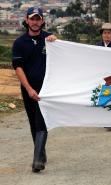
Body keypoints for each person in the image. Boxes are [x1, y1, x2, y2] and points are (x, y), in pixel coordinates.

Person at [12, 7, 57, 173]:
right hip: (28, 89)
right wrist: (29, 89)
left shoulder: (49, 39)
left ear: (43, 21)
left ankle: (37, 160)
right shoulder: (19, 43)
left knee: (41, 120)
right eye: (33, 19)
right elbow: (18, 67)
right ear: (27, 20)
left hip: (46, 89)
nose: (35, 22)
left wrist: (57, 42)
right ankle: (41, 152)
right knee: (33, 121)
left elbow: (62, 54)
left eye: (38, 19)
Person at [96, 23, 111, 131]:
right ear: (101, 34)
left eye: (109, 33)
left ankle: (110, 121)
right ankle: (106, 120)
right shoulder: (96, 46)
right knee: (103, 97)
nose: (106, 35)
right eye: (104, 33)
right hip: (100, 74)